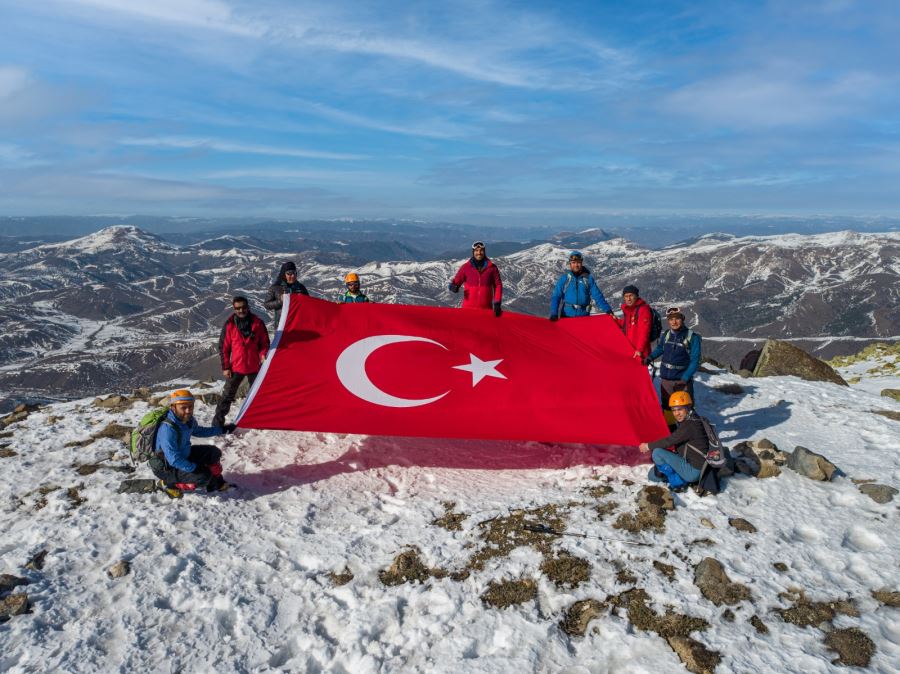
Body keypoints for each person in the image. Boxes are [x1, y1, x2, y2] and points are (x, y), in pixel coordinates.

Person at [150, 390, 235, 498]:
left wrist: (222, 429)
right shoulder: (168, 429)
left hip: (184, 454)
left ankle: (215, 482)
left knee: (214, 453)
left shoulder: (188, 420)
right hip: (167, 467)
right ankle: (168, 484)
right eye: (183, 407)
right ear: (173, 407)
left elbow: (199, 431)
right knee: (203, 476)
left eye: (191, 407)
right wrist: (194, 468)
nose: (188, 411)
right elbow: (174, 459)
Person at [212, 296, 269, 428]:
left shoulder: (258, 323)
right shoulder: (230, 325)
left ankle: (258, 422)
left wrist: (263, 355)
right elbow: (224, 348)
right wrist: (226, 367)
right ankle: (217, 425)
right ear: (234, 308)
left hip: (255, 366)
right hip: (236, 367)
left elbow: (264, 343)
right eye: (237, 308)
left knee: (258, 396)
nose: (241, 310)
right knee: (226, 397)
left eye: (243, 307)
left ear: (248, 307)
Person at [639, 391, 707, 490]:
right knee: (652, 474)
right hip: (697, 464)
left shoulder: (690, 425)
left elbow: (669, 440)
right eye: (674, 410)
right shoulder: (694, 418)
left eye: (680, 409)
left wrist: (647, 446)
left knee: (657, 453)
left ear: (688, 407)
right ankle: (673, 475)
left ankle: (678, 482)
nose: (676, 413)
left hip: (693, 471)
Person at [644, 307, 702, 414]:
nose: (674, 322)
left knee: (685, 409)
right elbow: (661, 348)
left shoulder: (692, 337)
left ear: (682, 319)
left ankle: (688, 429)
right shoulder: (666, 334)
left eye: (677, 318)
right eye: (671, 319)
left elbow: (695, 361)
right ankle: (672, 429)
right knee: (667, 408)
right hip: (666, 380)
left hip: (682, 381)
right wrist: (650, 357)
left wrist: (684, 379)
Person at [549, 251, 613, 320]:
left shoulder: (588, 279)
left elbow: (597, 296)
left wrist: (608, 310)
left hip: (583, 317)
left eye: (578, 262)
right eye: (573, 263)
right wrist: (554, 313)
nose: (576, 265)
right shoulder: (565, 278)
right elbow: (556, 296)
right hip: (566, 316)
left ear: (581, 263)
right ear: (570, 264)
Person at [448, 241, 503, 316]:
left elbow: (498, 285)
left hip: (486, 311)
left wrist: (497, 302)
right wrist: (453, 287)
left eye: (481, 250)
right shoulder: (465, 268)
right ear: (473, 252)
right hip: (467, 311)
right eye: (476, 251)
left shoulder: (492, 268)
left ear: (484, 251)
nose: (479, 253)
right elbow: (454, 283)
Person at [264, 261, 309, 328]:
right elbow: (267, 305)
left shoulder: (301, 288)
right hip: (282, 326)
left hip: (298, 324)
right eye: (289, 274)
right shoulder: (275, 288)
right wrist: (280, 301)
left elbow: (308, 303)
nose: (293, 276)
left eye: (294, 273)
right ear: (284, 275)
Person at [617, 285, 652, 359]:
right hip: (630, 350)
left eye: (631, 296)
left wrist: (640, 350)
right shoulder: (629, 310)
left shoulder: (643, 310)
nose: (628, 299)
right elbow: (626, 325)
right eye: (626, 296)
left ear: (636, 296)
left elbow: (645, 331)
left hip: (640, 353)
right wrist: (614, 320)